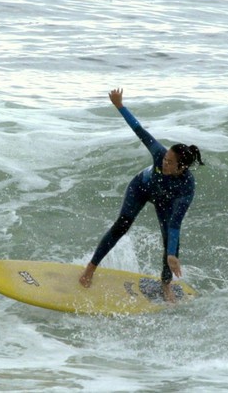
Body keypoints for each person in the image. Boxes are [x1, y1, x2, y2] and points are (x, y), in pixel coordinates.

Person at [79, 88, 204, 302]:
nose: (165, 162)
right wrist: (120, 106)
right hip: (141, 188)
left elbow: (176, 223)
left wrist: (172, 254)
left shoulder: (187, 186)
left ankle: (166, 284)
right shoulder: (159, 153)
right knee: (122, 225)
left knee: (170, 242)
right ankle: (90, 268)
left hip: (165, 201)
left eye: (170, 162)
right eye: (165, 159)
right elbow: (139, 130)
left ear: (182, 167)